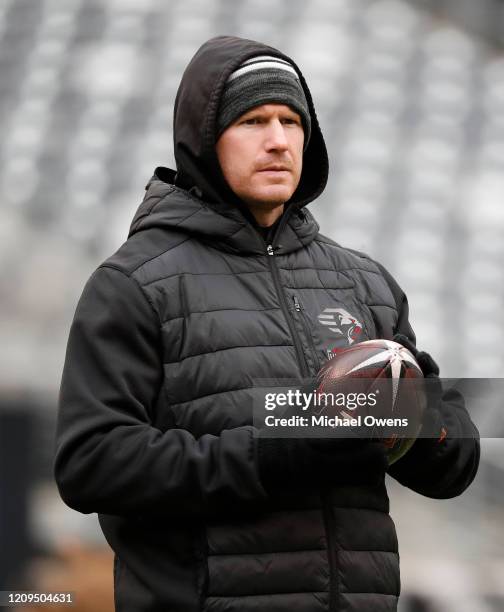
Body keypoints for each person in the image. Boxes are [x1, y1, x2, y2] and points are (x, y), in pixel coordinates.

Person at [54, 36, 480, 612]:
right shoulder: (134, 284)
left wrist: (424, 420)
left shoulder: (363, 282)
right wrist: (276, 453)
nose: (278, 140)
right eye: (253, 120)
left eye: (291, 121)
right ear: (206, 140)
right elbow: (91, 463)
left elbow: (452, 470)